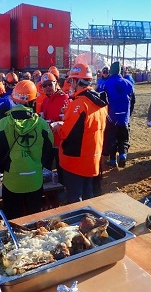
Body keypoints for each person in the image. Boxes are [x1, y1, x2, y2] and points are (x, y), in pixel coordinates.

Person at [0, 80, 53, 218]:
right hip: (35, 180)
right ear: (33, 101)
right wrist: (39, 164)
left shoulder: (4, 123)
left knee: (13, 220)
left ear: (15, 99)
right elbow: (49, 149)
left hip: (12, 180)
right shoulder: (42, 124)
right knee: (34, 219)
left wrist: (5, 166)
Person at [54, 63, 108, 203]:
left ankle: (79, 223)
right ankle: (89, 222)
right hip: (92, 158)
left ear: (76, 81)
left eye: (71, 80)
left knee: (75, 199)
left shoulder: (79, 104)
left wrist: (58, 126)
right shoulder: (99, 102)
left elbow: (66, 133)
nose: (70, 84)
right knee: (88, 196)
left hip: (75, 161)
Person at [40, 72, 71, 185]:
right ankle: (48, 193)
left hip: (60, 141)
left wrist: (57, 123)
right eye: (45, 85)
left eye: (50, 84)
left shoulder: (64, 98)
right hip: (48, 140)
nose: (48, 87)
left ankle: (62, 190)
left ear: (56, 83)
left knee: (61, 168)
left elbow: (69, 121)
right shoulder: (45, 101)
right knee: (46, 166)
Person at [103, 61, 135, 168]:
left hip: (111, 116)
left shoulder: (106, 83)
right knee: (124, 138)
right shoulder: (129, 84)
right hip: (124, 117)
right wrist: (128, 114)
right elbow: (133, 100)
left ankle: (113, 160)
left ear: (111, 71)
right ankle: (123, 155)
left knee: (111, 138)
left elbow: (102, 100)